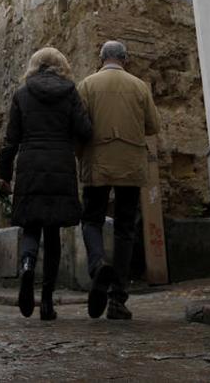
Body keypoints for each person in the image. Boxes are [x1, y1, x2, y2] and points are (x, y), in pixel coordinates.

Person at [0, 47, 91, 320]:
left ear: (33, 66)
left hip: (29, 167)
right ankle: (47, 302)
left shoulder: (22, 95)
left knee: (31, 226)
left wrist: (4, 175)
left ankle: (27, 265)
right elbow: (84, 130)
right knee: (52, 235)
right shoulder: (70, 92)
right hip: (60, 165)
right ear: (61, 66)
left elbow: (10, 140)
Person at [77, 40, 159, 320]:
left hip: (97, 161)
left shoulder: (86, 85)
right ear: (126, 59)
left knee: (91, 220)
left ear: (101, 58)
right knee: (125, 228)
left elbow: (79, 125)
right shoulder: (139, 86)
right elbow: (153, 126)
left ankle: (98, 263)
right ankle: (118, 299)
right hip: (130, 163)